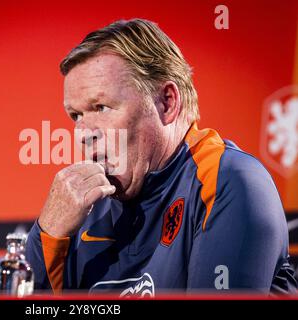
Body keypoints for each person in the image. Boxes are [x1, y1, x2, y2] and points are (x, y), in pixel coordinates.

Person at [25, 18, 297, 295]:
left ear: (167, 102)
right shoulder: (83, 213)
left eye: (102, 107)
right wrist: (47, 233)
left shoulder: (228, 180)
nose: (83, 133)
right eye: (76, 115)